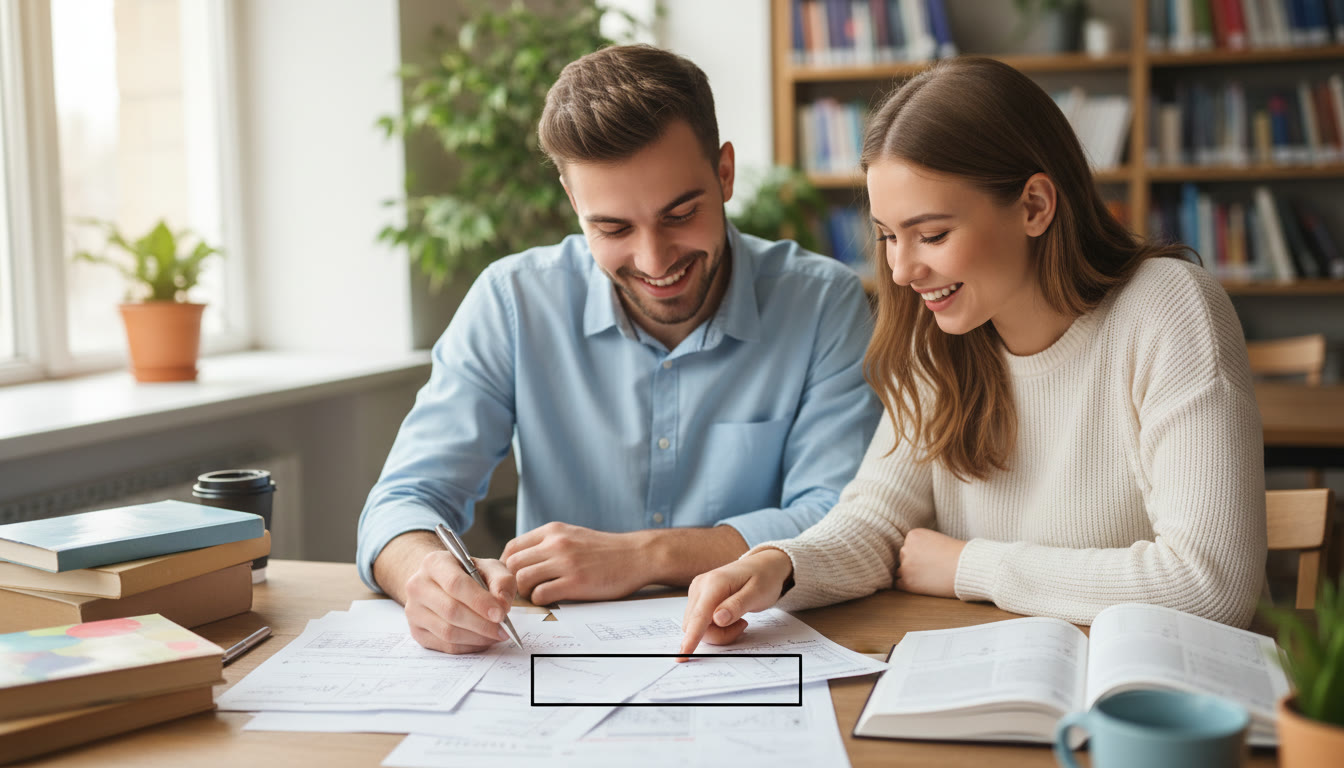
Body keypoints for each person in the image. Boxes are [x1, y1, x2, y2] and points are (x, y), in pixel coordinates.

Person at [680, 57, 1267, 655]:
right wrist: (778, 564)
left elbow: (1210, 584)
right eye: (887, 236)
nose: (903, 271)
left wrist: (969, 566)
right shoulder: (939, 332)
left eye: (931, 235)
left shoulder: (1167, 307)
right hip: (998, 670)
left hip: (1150, 693)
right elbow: (877, 520)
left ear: (1035, 206)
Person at [356, 44, 882, 654]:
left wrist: (645, 556)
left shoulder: (822, 303)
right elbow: (402, 502)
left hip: (750, 653)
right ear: (573, 201)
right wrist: (426, 575)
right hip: (553, 669)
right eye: (612, 228)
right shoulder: (512, 301)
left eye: (681, 213)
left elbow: (841, 516)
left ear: (725, 174)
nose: (655, 262)